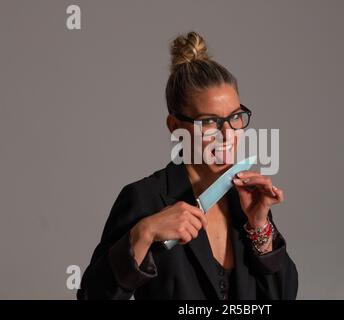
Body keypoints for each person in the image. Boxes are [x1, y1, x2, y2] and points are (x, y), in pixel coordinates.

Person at [77, 31, 298, 300]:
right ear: (175, 126)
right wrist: (143, 234)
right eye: (208, 122)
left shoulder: (246, 202)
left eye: (236, 117)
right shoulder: (144, 199)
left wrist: (260, 226)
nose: (227, 134)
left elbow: (282, 296)